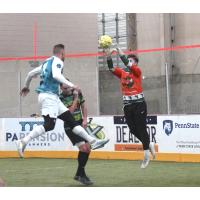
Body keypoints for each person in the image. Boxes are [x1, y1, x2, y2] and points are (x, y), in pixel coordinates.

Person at [16, 44, 109, 158]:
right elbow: (56, 75)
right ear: (62, 53)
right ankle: (23, 141)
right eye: (65, 53)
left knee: (71, 121)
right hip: (49, 96)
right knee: (49, 125)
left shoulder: (46, 62)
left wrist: (26, 86)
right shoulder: (58, 61)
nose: (65, 55)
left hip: (52, 97)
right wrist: (72, 85)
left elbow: (30, 74)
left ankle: (93, 141)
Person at [105, 47, 155, 168]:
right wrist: (108, 57)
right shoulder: (122, 73)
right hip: (128, 106)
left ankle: (146, 156)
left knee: (141, 127)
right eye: (129, 61)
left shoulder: (137, 71)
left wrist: (120, 52)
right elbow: (111, 68)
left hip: (139, 104)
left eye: (131, 61)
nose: (129, 62)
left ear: (135, 63)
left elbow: (127, 63)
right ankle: (148, 143)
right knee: (133, 129)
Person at [60, 84, 93, 185]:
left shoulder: (77, 91)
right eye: (64, 88)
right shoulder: (60, 98)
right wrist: (75, 97)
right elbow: (70, 112)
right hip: (70, 126)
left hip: (79, 123)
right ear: (61, 88)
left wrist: (85, 119)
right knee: (83, 148)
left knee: (88, 148)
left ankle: (79, 174)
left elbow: (83, 105)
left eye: (68, 87)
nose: (67, 90)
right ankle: (80, 175)